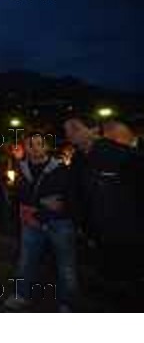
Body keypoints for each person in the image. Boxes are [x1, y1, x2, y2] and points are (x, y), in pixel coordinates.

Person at [64, 115, 144, 285]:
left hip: (126, 234)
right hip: (97, 234)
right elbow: (76, 193)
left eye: (75, 128)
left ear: (93, 130)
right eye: (67, 130)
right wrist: (79, 222)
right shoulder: (78, 159)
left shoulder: (122, 155)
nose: (70, 134)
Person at [4, 133, 78, 312]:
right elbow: (22, 197)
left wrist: (49, 203)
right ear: (25, 147)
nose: (35, 147)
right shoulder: (20, 168)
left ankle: (67, 303)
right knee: (26, 261)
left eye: (39, 144)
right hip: (31, 222)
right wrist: (13, 188)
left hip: (59, 223)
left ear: (46, 147)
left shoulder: (61, 168)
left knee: (65, 265)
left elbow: (67, 197)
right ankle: (22, 295)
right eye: (30, 144)